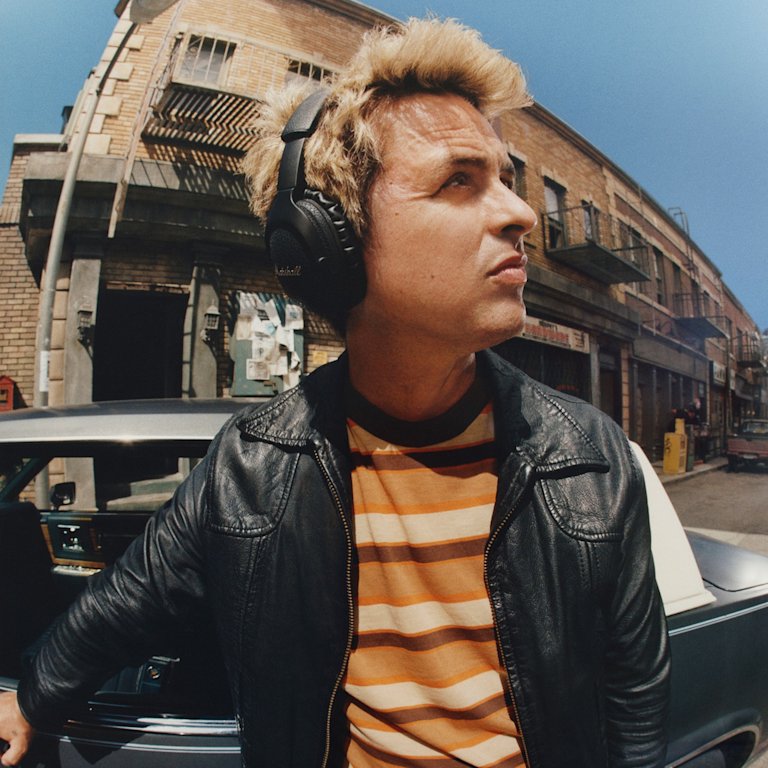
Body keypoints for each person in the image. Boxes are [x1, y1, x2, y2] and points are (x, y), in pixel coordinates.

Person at [0, 17, 670, 768]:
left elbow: (634, 690)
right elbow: (121, 609)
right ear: (332, 239)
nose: (517, 216)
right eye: (460, 180)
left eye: (508, 183)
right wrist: (28, 698)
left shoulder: (590, 454)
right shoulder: (251, 469)